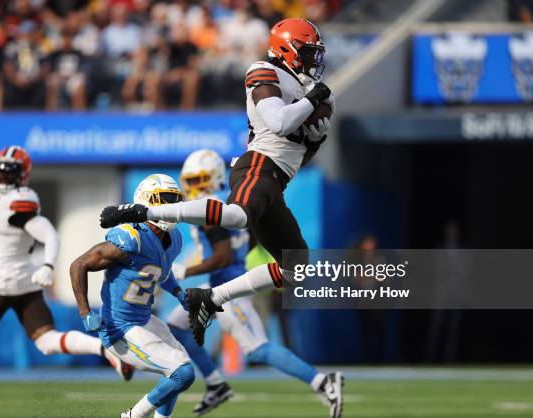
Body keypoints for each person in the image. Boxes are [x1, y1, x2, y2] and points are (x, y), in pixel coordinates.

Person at [100, 18, 335, 348]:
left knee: (296, 267)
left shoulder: (317, 94)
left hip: (276, 179)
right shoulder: (265, 72)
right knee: (238, 216)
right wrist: (311, 103)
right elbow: (280, 123)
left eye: (315, 54)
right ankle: (144, 212)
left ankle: (210, 299)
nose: (313, 61)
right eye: (307, 53)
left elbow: (302, 153)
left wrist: (315, 136)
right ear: (286, 48)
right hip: (258, 165)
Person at [0, 146, 132, 418]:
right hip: (24, 285)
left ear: (21, 176)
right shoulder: (4, 197)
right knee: (47, 342)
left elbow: (51, 237)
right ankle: (105, 350)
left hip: (2, 284)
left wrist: (47, 265)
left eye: (7, 172)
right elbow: (7, 241)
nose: (1, 176)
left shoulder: (18, 201)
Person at [166, 149, 344, 417]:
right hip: (216, 285)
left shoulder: (209, 210)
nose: (194, 187)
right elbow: (248, 239)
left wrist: (185, 270)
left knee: (257, 349)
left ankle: (321, 381)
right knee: (174, 328)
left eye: (200, 180)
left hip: (227, 289)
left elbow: (223, 256)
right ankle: (215, 384)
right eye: (190, 181)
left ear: (214, 177)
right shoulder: (229, 203)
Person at [70, 174, 195, 418]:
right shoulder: (131, 237)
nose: (170, 207)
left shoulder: (174, 239)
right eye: (165, 200)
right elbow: (79, 264)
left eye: (174, 201)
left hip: (144, 319)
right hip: (120, 328)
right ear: (146, 201)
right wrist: (85, 312)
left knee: (179, 365)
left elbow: (159, 272)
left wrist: (179, 292)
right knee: (182, 373)